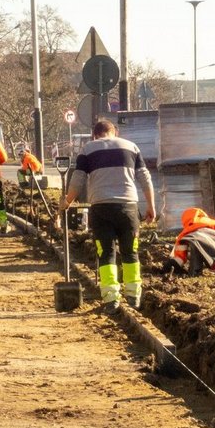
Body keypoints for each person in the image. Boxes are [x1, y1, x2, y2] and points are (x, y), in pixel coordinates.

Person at [58, 119, 156, 314]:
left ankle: (111, 298)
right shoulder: (131, 147)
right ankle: (133, 295)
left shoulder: (88, 149)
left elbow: (78, 179)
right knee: (130, 251)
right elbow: (145, 178)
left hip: (101, 208)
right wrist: (151, 206)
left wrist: (67, 202)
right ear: (115, 133)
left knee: (106, 253)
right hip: (128, 207)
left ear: (95, 135)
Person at [163, 208, 215, 277]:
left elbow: (180, 257)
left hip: (201, 240)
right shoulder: (211, 221)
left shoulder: (186, 231)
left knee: (194, 241)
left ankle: (195, 271)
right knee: (196, 240)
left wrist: (173, 264)